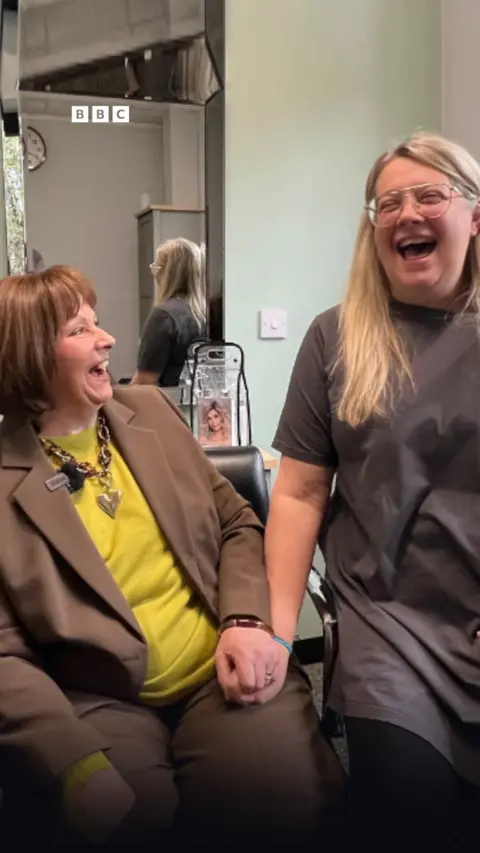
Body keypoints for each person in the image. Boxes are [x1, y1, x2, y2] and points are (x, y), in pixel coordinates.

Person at [0, 265, 346, 849]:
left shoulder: (151, 414)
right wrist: (73, 763)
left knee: (280, 805)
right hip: (95, 701)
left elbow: (237, 522)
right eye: (80, 330)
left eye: (98, 322)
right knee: (128, 824)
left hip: (219, 672)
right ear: (30, 355)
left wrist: (243, 620)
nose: (107, 339)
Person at [266, 131, 480, 851]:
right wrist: (271, 628)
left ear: (474, 216)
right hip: (390, 630)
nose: (406, 214)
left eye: (429, 196)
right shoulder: (336, 339)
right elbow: (297, 492)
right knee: (409, 814)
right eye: (388, 203)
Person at [132, 237, 207, 387]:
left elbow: (145, 382)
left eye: (156, 269)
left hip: (168, 402)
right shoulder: (210, 311)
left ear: (166, 274)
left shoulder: (164, 316)